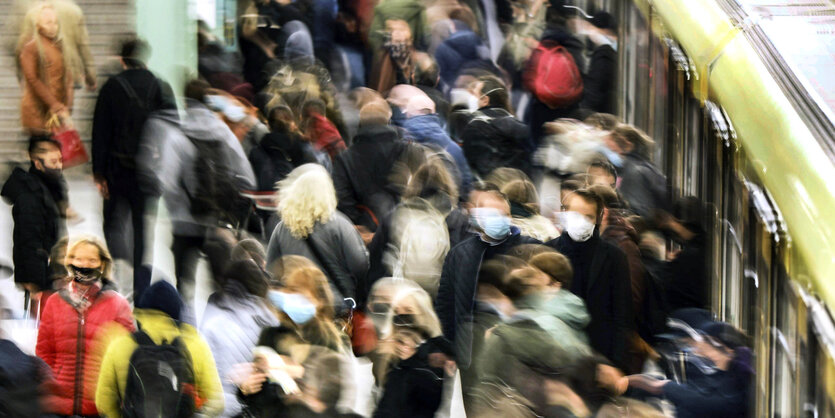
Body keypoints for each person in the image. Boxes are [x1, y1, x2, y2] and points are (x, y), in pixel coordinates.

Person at [137, 79, 256, 307]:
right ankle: (220, 321)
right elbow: (246, 175)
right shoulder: (223, 133)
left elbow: (167, 180)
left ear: (185, 101)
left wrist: (175, 204)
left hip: (184, 222)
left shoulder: (177, 134)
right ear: (208, 102)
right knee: (222, 280)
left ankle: (186, 326)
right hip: (218, 224)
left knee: (184, 282)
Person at [435, 183, 538, 411]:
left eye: (500, 214)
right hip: (472, 356)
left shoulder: (532, 251)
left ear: (510, 216)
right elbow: (446, 304)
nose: (494, 220)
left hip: (517, 358)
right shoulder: (460, 254)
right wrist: (448, 348)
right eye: (488, 215)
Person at [91, 37, 175, 302]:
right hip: (148, 172)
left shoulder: (111, 87)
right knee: (142, 227)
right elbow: (172, 131)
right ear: (145, 58)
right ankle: (141, 284)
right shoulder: (160, 87)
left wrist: (99, 172)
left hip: (116, 169)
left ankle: (118, 270)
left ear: (121, 60)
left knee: (113, 220)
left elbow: (100, 132)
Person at [36, 236, 135, 417]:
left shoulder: (117, 304)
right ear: (69, 261)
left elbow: (127, 358)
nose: (85, 265)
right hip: (58, 407)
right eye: (79, 259)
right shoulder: (55, 302)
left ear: (102, 265)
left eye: (92, 260)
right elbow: (44, 353)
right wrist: (50, 387)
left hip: (99, 408)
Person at [96, 280, 224, 417]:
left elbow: (103, 402)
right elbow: (217, 402)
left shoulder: (120, 345)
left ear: (141, 312)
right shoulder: (195, 343)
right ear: (177, 312)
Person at [547, 188, 634, 372]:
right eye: (575, 214)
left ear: (598, 219)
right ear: (564, 214)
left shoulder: (614, 257)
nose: (581, 221)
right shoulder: (547, 252)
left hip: (600, 354)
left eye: (588, 216)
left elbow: (622, 314)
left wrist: (615, 364)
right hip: (556, 353)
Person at [266, 164, 369, 305]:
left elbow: (272, 267)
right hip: (333, 302)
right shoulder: (340, 224)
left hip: (295, 302)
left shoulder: (282, 228)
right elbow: (360, 265)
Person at [200, 254, 280, 417]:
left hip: (221, 409)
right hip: (256, 409)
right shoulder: (272, 322)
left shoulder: (212, 322)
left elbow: (203, 379)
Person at [331, 100, 413, 231]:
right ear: (388, 120)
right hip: (404, 228)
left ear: (361, 123)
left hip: (362, 232)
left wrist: (362, 225)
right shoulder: (407, 150)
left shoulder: (345, 158)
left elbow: (342, 198)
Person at [2, 136, 67, 296]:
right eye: (53, 162)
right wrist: (35, 281)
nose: (59, 166)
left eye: (60, 160)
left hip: (48, 273)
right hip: (38, 278)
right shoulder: (30, 195)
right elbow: (28, 239)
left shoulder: (48, 188)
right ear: (37, 163)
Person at [460, 75, 533, 178]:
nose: (470, 97)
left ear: (485, 100)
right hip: (517, 185)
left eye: (474, 94)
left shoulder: (476, 127)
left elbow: (475, 167)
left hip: (490, 187)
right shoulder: (518, 125)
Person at [18, 3, 74, 134]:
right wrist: (56, 105)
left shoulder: (58, 46)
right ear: (38, 24)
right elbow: (32, 79)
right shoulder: (31, 47)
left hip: (56, 112)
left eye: (55, 23)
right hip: (38, 112)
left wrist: (67, 106)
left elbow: (67, 78)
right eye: (48, 23)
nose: (53, 27)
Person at [606, 124, 667, 217]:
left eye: (613, 150)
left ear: (627, 146)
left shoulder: (634, 172)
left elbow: (639, 212)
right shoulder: (647, 166)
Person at [578, 12, 618, 115]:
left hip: (601, 112)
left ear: (603, 30)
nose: (589, 33)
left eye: (591, 29)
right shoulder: (610, 51)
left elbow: (594, 89)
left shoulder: (604, 54)